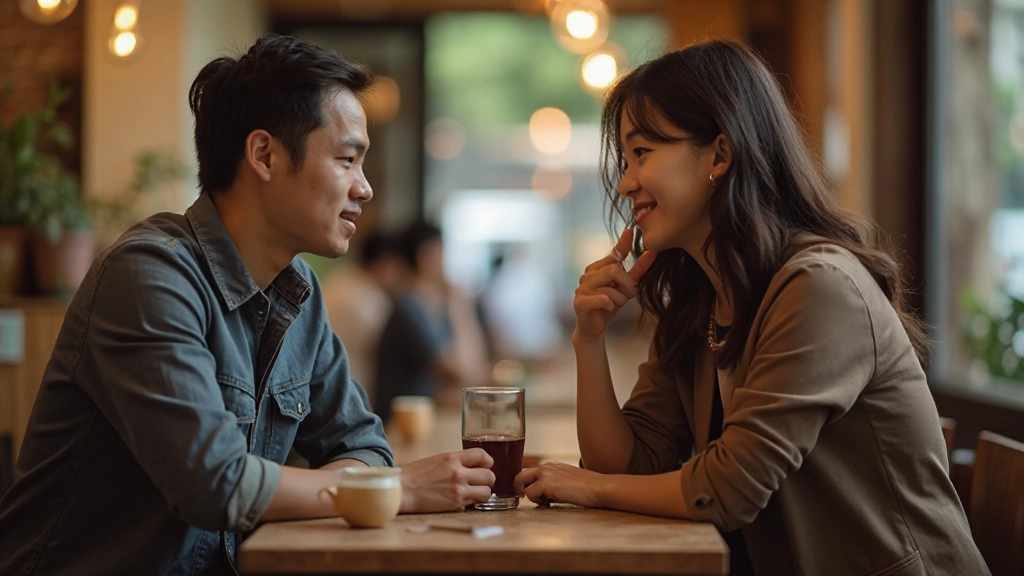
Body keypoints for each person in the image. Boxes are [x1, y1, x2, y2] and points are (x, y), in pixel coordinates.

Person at [0, 35, 495, 576]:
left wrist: (372, 481)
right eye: (347, 160)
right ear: (264, 155)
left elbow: (362, 443)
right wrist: (396, 488)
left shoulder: (297, 290)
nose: (366, 188)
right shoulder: (147, 275)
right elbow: (213, 481)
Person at [514, 40, 990, 576]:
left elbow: (726, 491)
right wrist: (590, 341)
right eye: (625, 161)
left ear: (720, 154)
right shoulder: (703, 299)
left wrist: (590, 488)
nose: (625, 183)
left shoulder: (819, 287)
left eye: (642, 153)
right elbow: (631, 460)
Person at [374, 221, 489, 424]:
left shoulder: (431, 305)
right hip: (400, 427)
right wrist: (461, 308)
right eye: (442, 252)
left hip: (427, 417)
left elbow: (474, 370)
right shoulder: (408, 309)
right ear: (426, 256)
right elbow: (464, 372)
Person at [321, 230, 407, 402]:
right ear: (386, 263)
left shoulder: (339, 279)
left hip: (325, 387)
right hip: (349, 394)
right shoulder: (370, 300)